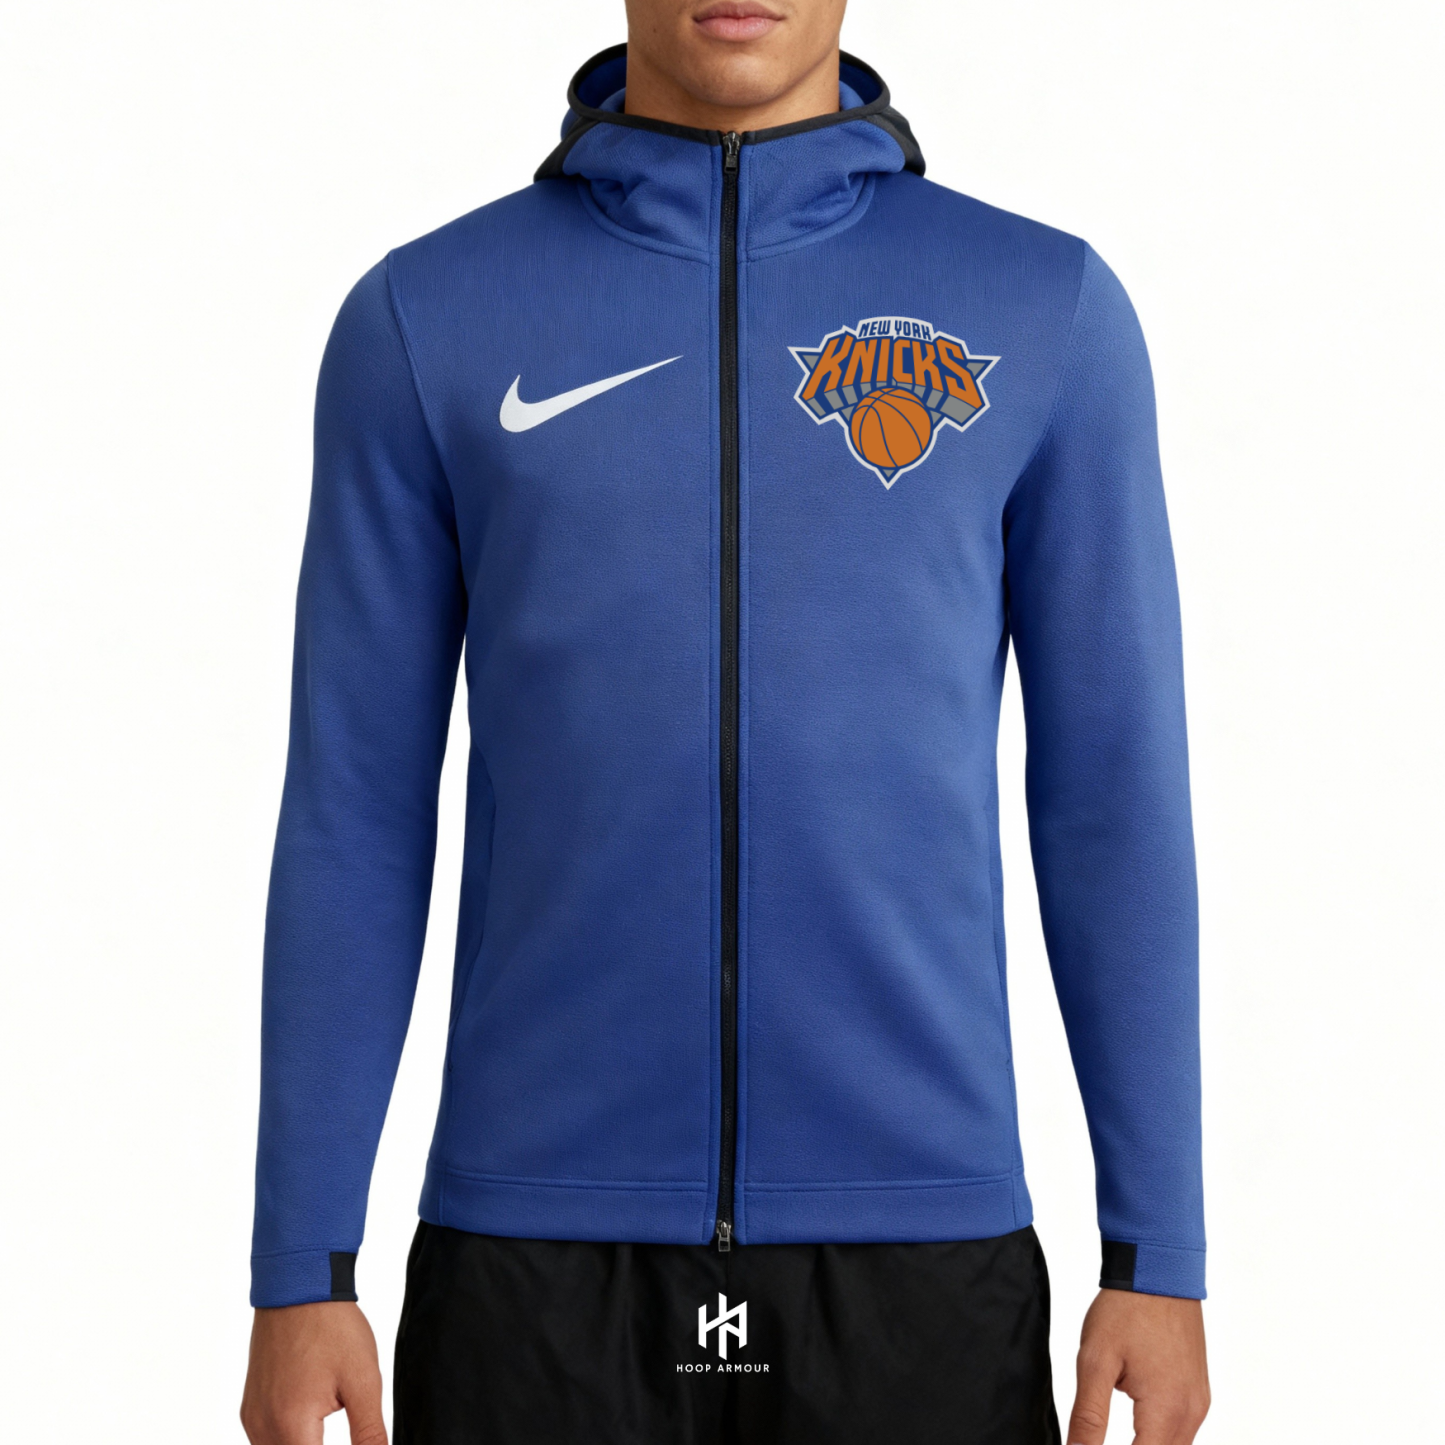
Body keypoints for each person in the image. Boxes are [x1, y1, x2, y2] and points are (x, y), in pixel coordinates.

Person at [240, 1, 1211, 1441]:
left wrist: (1157, 1252)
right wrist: (302, 1263)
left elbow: (1111, 796)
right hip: (535, 1259)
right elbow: (356, 808)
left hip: (917, 1255)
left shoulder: (1041, 309)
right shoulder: (428, 319)